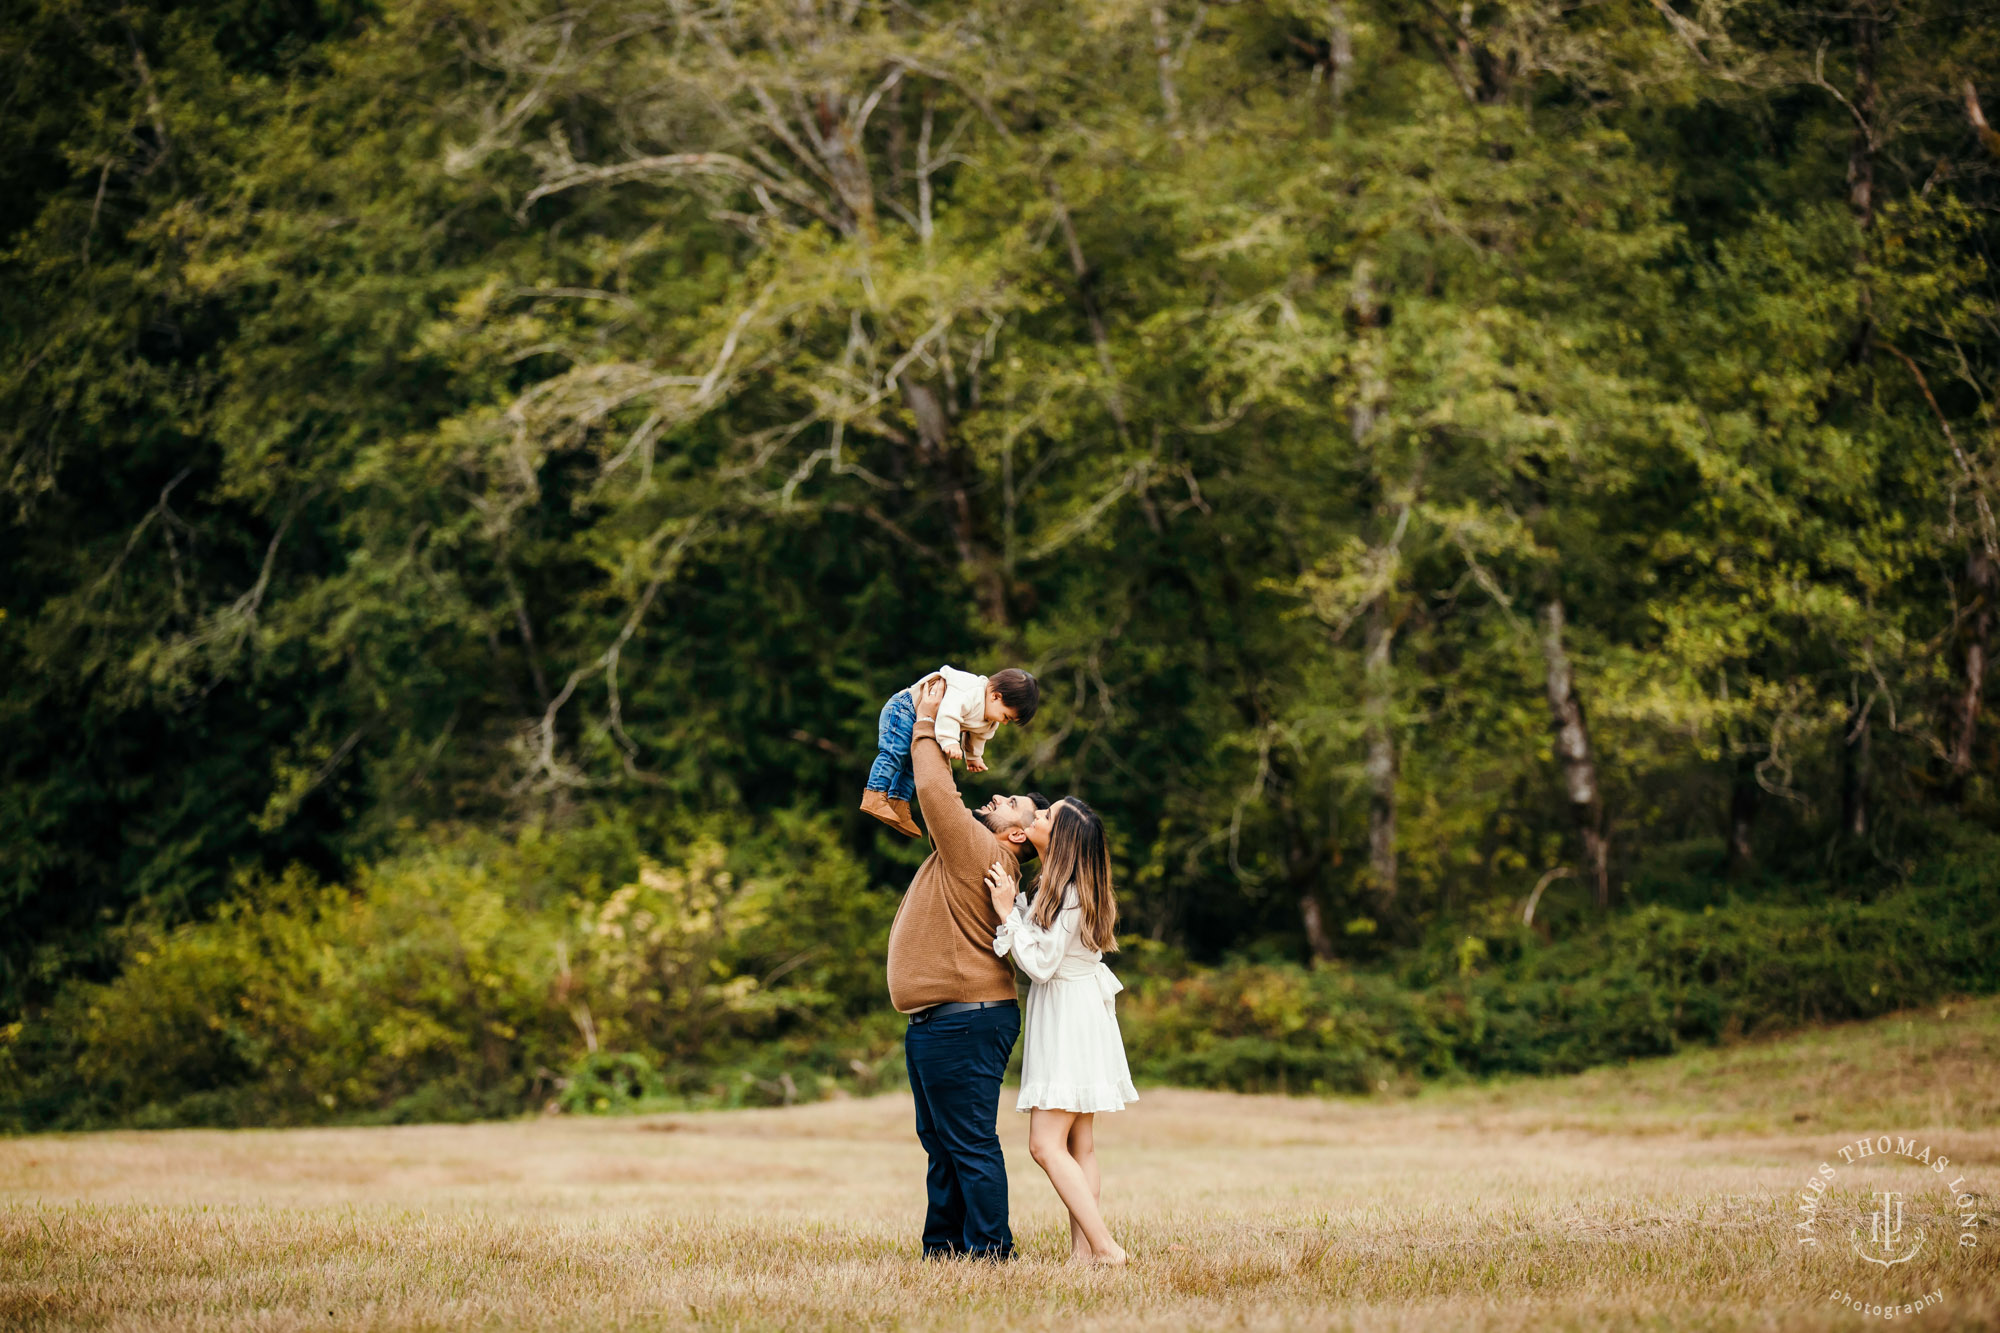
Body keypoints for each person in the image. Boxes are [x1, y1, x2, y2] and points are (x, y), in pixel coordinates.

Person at [886, 675, 1048, 1260]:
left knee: (968, 1142)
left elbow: (935, 793)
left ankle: (989, 1251)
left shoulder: (981, 849)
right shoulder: (975, 853)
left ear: (1012, 834)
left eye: (1009, 805)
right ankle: (944, 1248)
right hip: (946, 1019)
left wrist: (927, 723)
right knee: (943, 1142)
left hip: (964, 1019)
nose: (996, 798)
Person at [985, 798, 1136, 1267]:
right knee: (1079, 1144)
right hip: (1079, 1014)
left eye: (1047, 817)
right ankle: (1083, 1255)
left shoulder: (1069, 893)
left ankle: (1107, 1248)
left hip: (1071, 1020)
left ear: (1062, 839)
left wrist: (1008, 913)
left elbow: (1043, 965)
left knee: (1044, 1145)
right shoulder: (1065, 887)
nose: (1038, 817)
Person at [862, 665, 1040, 838]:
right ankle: (875, 794)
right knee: (896, 753)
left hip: (921, 719)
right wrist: (950, 741)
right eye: (1006, 716)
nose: (1005, 722)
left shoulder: (990, 719)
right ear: (995, 696)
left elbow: (978, 737)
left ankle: (898, 803)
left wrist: (973, 757)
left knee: (911, 766)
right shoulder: (970, 692)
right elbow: (949, 713)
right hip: (905, 708)